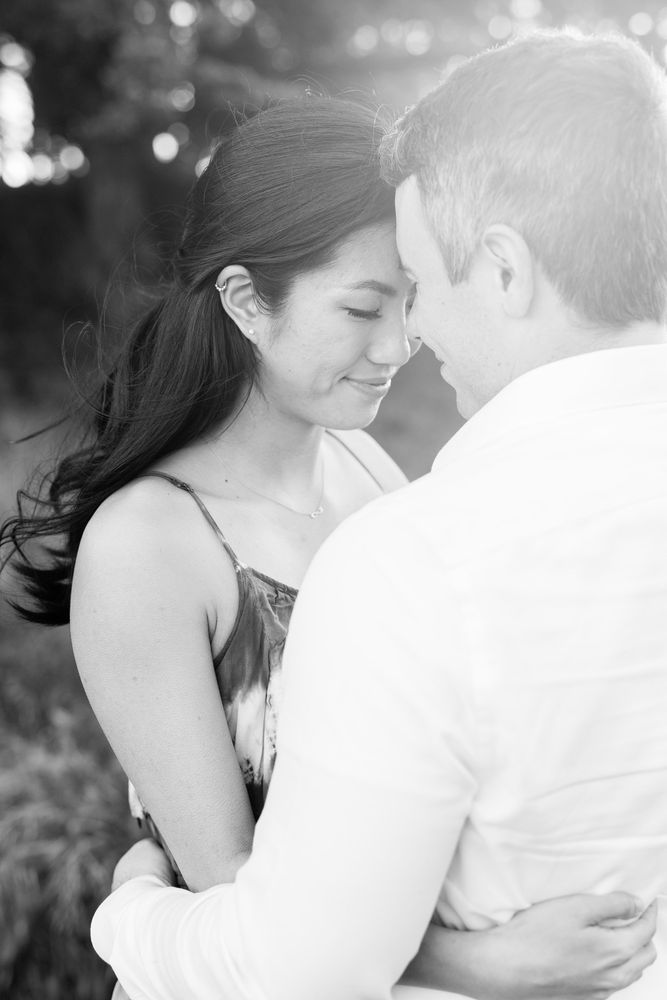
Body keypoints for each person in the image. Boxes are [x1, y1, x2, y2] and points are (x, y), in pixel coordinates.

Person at [0, 92, 657, 999]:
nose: (400, 344)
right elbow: (229, 885)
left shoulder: (365, 466)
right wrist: (480, 963)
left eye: (410, 297)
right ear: (245, 301)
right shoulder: (148, 545)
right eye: (360, 309)